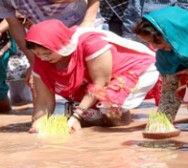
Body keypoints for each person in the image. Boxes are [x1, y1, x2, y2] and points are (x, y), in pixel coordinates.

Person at [24, 19, 161, 132]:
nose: (43, 59)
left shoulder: (90, 44)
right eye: (38, 55)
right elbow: (43, 101)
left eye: (47, 53)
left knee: (109, 109)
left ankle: (116, 114)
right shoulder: (42, 60)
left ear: (60, 45)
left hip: (137, 69)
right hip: (97, 79)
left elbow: (100, 84)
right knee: (91, 115)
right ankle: (93, 115)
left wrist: (76, 116)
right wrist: (37, 124)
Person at [0, 0, 104, 83]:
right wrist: (33, 62)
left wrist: (88, 23)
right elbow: (15, 26)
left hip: (84, 29)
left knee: (99, 83)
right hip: (48, 41)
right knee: (43, 82)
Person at [133, 6, 188, 121]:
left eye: (156, 41)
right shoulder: (166, 57)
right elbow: (170, 93)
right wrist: (162, 122)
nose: (154, 46)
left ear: (172, 33)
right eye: (149, 43)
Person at [122, 0, 188, 41]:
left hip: (162, 35)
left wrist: (164, 35)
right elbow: (133, 9)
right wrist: (128, 36)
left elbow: (182, 9)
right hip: (135, 33)